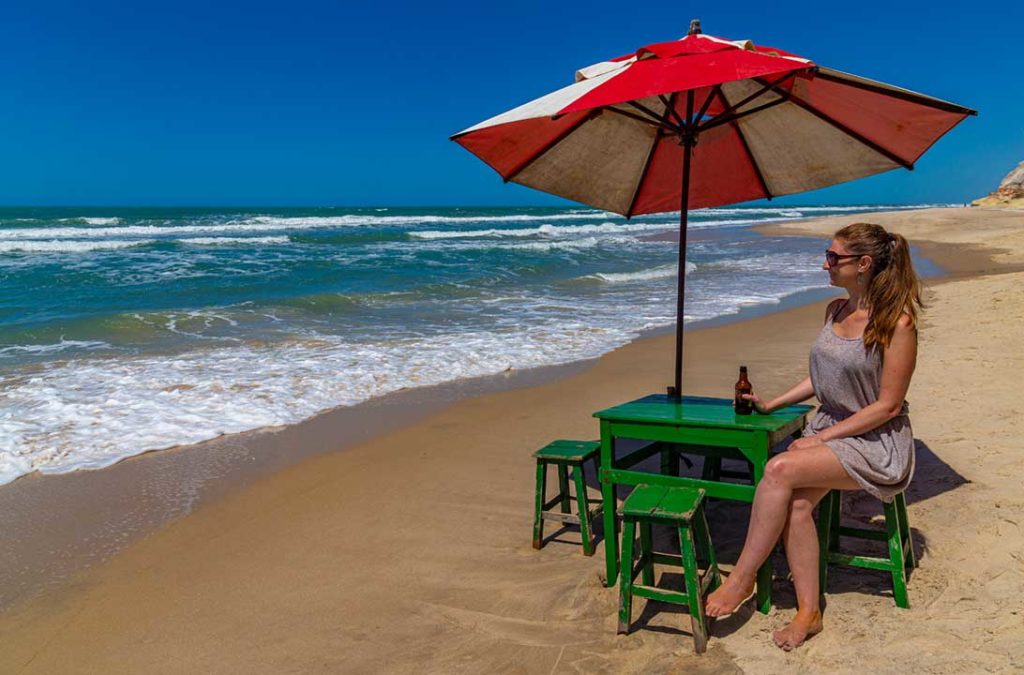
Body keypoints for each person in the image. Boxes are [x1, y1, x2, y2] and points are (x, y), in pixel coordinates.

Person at [704, 222, 921, 650]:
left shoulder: (898, 323)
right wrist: (772, 406)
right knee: (798, 505)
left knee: (779, 468)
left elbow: (888, 406)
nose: (824, 263)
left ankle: (742, 578)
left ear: (862, 265)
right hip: (833, 430)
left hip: (877, 442)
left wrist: (820, 440)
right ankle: (810, 612)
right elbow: (819, 378)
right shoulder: (835, 311)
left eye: (832, 257)